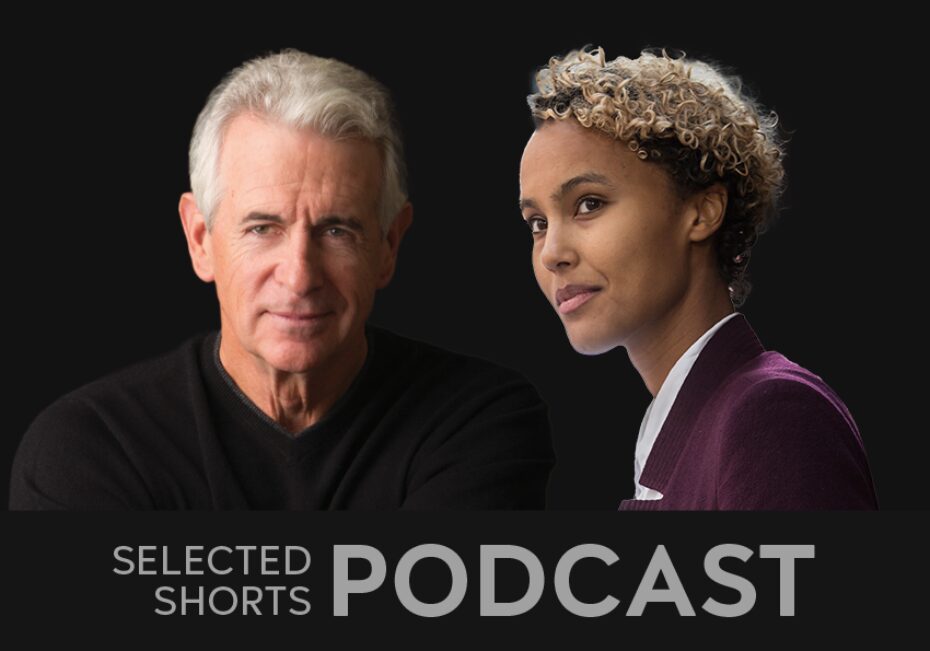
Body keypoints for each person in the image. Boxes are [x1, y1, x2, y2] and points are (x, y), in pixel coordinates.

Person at [10, 49, 554, 510]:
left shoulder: (476, 420)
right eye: (262, 228)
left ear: (389, 245)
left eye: (337, 230)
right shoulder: (91, 445)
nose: (299, 275)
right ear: (200, 238)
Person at [518, 46, 877, 510]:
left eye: (589, 204)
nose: (552, 254)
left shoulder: (772, 414)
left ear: (702, 212)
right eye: (537, 223)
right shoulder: (680, 424)